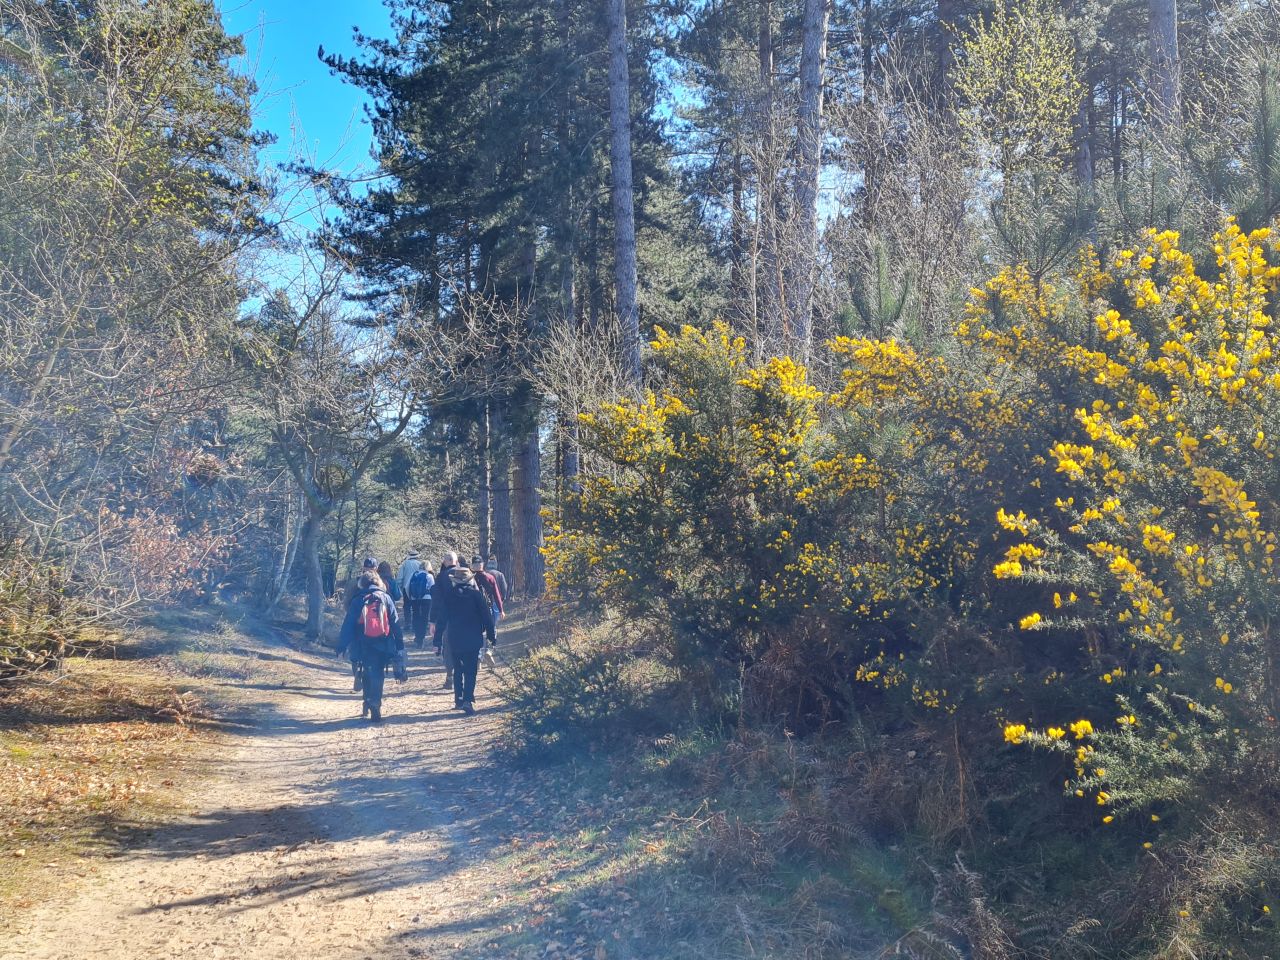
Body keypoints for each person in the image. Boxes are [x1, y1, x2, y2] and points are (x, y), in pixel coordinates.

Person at [335, 571, 404, 722]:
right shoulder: (386, 598)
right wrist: (399, 645)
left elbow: (349, 624)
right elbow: (395, 623)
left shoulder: (358, 599)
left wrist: (342, 646)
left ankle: (367, 700)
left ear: (362, 584)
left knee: (366, 670)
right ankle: (376, 702)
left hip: (362, 642)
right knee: (378, 672)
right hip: (382, 641)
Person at [431, 563, 495, 714]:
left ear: (455, 580)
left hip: (455, 638)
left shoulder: (449, 596)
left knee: (458, 669)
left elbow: (441, 620)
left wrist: (437, 640)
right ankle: (467, 699)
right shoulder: (476, 596)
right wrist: (491, 636)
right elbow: (486, 617)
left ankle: (458, 699)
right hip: (473, 638)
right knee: (471, 670)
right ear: (470, 580)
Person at [433, 552, 459, 688]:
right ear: (456, 561)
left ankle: (450, 676)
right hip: (465, 617)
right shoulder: (465, 574)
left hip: (447, 617)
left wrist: (432, 620)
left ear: (445, 561)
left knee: (448, 646)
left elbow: (436, 600)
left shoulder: (441, 577)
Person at [406, 561, 435, 649]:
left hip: (415, 599)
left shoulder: (414, 574)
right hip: (426, 599)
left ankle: (417, 636)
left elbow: (407, 587)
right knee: (424, 618)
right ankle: (421, 638)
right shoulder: (429, 576)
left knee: (416, 617)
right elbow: (433, 588)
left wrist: (410, 597)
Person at [471, 555, 504, 630]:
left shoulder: (470, 578)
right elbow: (496, 594)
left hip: (474, 609)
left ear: (472, 565)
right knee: (491, 628)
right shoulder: (489, 577)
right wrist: (501, 610)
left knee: (477, 630)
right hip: (487, 607)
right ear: (482, 564)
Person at [396, 550, 423, 630]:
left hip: (406, 588)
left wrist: (400, 588)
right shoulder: (420, 564)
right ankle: (416, 624)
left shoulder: (405, 564)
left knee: (407, 607)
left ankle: (408, 624)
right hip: (417, 589)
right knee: (416, 607)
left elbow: (400, 578)